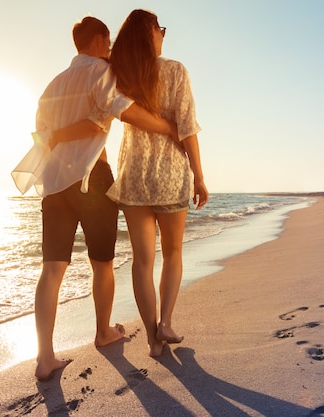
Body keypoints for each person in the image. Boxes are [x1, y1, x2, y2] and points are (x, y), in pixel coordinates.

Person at [12, 16, 177, 381]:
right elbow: (120, 110)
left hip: (55, 183)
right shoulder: (100, 71)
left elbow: (42, 138)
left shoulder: (51, 86)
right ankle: (103, 332)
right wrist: (166, 126)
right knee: (102, 262)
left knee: (52, 269)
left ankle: (45, 358)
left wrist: (63, 133)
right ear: (102, 40)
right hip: (92, 178)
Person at [106, 9, 209, 357]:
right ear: (151, 32)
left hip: (134, 175)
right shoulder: (175, 70)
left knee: (142, 261)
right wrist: (199, 175)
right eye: (161, 29)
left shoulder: (120, 74)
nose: (163, 35)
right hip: (169, 175)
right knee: (174, 252)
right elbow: (187, 127)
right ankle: (165, 322)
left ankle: (152, 341)